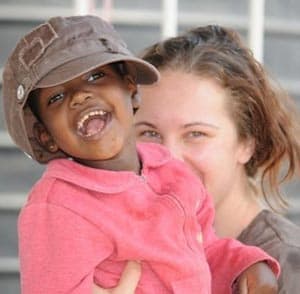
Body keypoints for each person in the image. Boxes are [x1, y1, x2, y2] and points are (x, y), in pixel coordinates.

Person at [2, 15, 280, 294]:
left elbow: (204, 249)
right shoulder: (58, 205)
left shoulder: (173, 173)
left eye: (95, 76)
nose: (80, 96)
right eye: (56, 98)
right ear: (46, 136)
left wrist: (245, 266)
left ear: (133, 90)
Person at [135, 24, 300, 293]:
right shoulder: (130, 247)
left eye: (196, 134)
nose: (168, 159)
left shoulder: (286, 268)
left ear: (247, 142)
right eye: (149, 133)